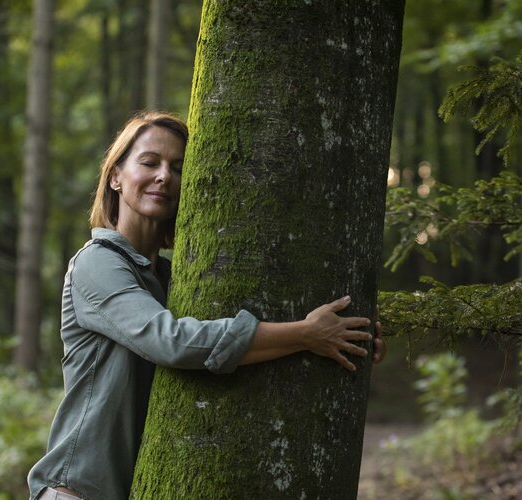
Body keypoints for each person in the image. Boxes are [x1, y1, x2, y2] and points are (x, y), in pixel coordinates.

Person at [27, 111, 386, 500]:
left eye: (177, 168)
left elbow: (209, 344)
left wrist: (351, 331)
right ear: (115, 176)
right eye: (149, 162)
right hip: (74, 492)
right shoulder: (96, 263)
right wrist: (305, 334)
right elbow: (173, 342)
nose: (164, 176)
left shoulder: (168, 279)